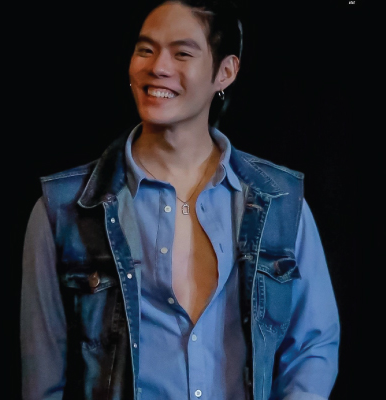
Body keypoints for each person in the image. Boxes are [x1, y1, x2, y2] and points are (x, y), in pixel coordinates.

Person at [20, 1, 340, 399]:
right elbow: (43, 376)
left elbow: (312, 345)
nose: (158, 66)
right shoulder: (64, 209)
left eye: (182, 53)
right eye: (146, 49)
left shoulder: (278, 202)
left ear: (225, 72)